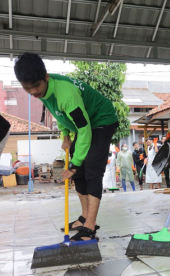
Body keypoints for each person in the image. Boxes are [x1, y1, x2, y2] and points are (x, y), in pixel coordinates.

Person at [14, 52, 118, 241]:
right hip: (83, 124)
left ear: (46, 77)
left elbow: (85, 130)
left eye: (36, 86)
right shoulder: (43, 91)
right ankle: (85, 217)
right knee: (78, 174)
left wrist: (75, 164)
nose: (33, 92)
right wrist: (65, 135)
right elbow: (58, 112)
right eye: (26, 88)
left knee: (92, 169)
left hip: (102, 119)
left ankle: (90, 227)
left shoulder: (65, 93)